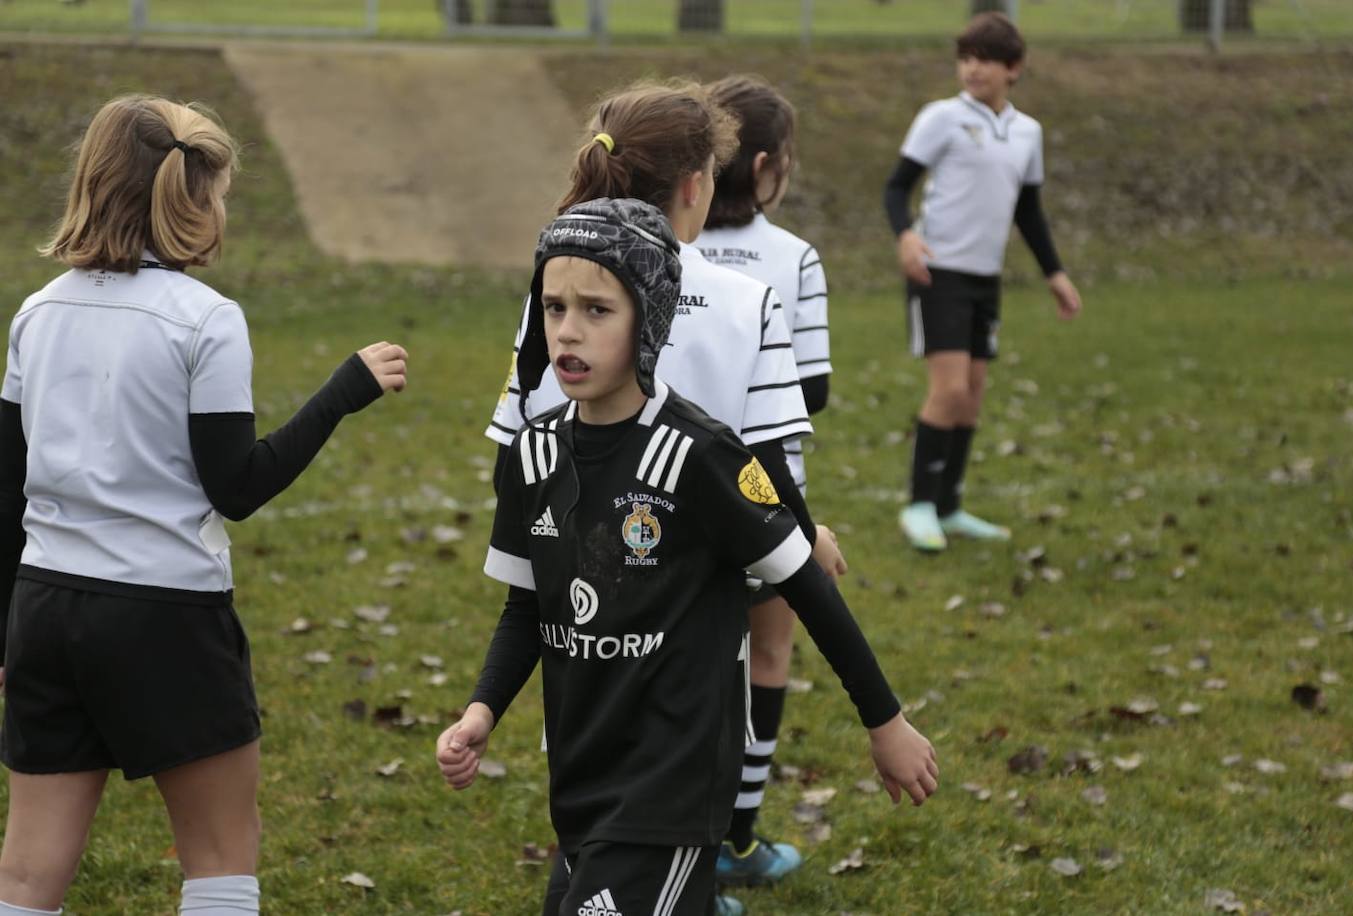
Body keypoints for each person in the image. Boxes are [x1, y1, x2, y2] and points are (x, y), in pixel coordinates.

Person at [436, 198, 938, 916]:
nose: (568, 330)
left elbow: (805, 583)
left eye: (597, 310)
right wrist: (482, 711)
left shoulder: (703, 456)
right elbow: (528, 608)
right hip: (583, 774)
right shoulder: (533, 453)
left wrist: (884, 721)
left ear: (650, 318)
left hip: (672, 783)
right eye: (553, 307)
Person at [0, 95, 408, 916]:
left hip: (44, 611)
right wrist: (343, 392)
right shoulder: (206, 321)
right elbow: (239, 488)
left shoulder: (36, 313)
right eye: (219, 194)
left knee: (25, 877)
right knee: (220, 858)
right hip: (166, 618)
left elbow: (7, 492)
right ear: (192, 202)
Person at [481, 78, 844, 916]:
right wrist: (801, 533)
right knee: (680, 767)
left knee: (609, 810)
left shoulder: (555, 287)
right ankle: (702, 862)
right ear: (695, 184)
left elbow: (515, 444)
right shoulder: (744, 300)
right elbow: (767, 461)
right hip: (702, 598)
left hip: (580, 616)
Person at [694, 74, 832, 886]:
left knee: (676, 664)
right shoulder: (794, 258)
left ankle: (674, 842)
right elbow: (811, 389)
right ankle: (735, 841)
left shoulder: (662, 246)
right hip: (767, 494)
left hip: (665, 485)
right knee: (767, 656)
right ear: (767, 166)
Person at [883, 11, 1082, 552]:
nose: (972, 69)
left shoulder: (1027, 133)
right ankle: (919, 506)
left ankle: (949, 508)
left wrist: (1055, 274)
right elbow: (896, 187)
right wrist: (906, 236)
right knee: (947, 391)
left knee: (971, 398)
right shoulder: (941, 118)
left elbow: (1028, 211)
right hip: (938, 273)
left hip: (984, 279)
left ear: (1013, 68)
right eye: (966, 58)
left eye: (986, 60)